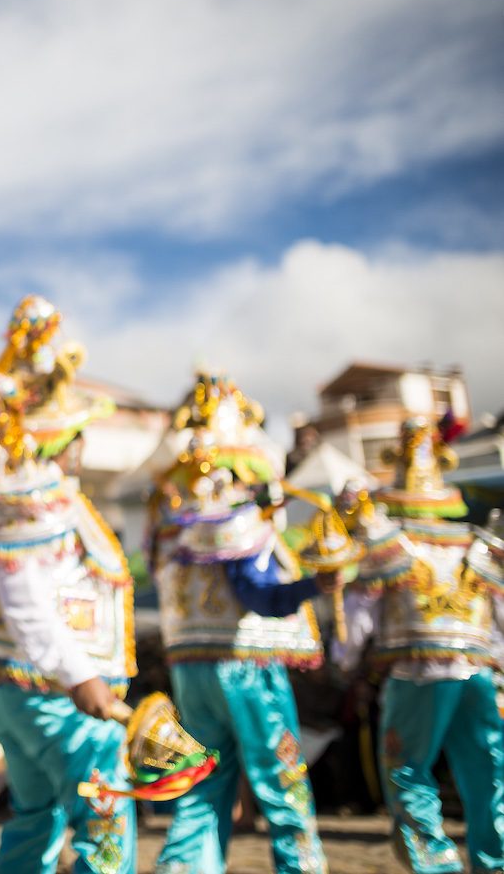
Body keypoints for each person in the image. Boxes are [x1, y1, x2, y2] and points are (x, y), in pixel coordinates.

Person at [0, 295, 137, 874]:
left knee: (36, 816)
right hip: (55, 688)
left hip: (21, 686)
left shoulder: (35, 498)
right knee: (103, 814)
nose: (85, 443)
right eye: (78, 432)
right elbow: (27, 605)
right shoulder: (29, 500)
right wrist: (80, 677)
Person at [150, 372, 337, 874]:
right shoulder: (235, 520)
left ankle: (185, 867)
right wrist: (316, 586)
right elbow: (260, 597)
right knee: (280, 778)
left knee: (204, 781)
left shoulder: (172, 528)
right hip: (245, 667)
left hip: (192, 672)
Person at [333, 418, 504, 874]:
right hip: (478, 671)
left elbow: (357, 620)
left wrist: (345, 660)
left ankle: (437, 864)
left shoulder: (388, 542)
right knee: (488, 770)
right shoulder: (476, 544)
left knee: (407, 769)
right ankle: (496, 860)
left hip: (417, 673)